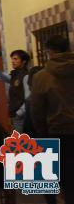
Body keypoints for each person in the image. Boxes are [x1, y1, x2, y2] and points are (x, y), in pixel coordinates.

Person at [30, 35, 74, 204]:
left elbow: (37, 110)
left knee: (64, 179)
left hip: (58, 133)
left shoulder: (42, 76)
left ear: (50, 51)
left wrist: (42, 132)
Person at [0, 49, 30, 132]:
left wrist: (19, 113)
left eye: (16, 59)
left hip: (21, 116)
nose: (12, 61)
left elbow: (28, 97)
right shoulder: (14, 75)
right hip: (14, 114)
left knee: (21, 141)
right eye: (12, 59)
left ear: (24, 61)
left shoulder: (26, 76)